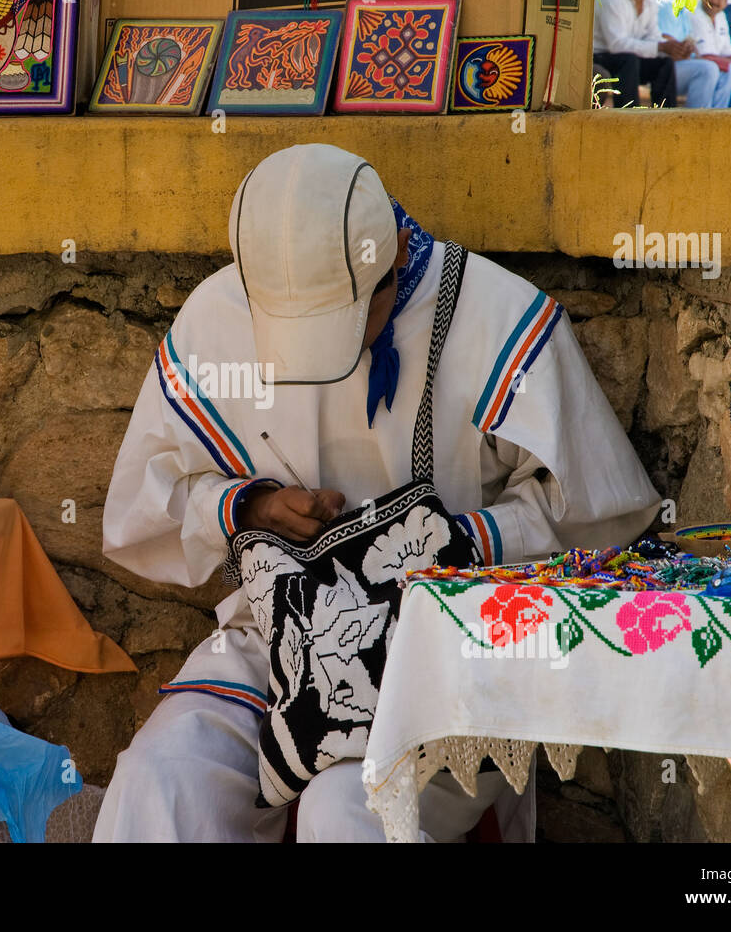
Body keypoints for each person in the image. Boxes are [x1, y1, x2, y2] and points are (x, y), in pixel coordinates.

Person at [94, 143, 661, 843]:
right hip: (278, 643)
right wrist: (250, 506)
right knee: (160, 778)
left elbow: (596, 515)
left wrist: (462, 540)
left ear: (394, 254)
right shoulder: (219, 314)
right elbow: (144, 508)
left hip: (449, 655)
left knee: (346, 807)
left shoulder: (493, 315)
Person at [594, 0, 724, 108]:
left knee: (665, 62)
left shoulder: (649, 1)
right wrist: (661, 46)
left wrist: (675, 48)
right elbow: (617, 45)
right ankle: (628, 117)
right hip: (601, 56)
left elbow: (653, 37)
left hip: (627, 57)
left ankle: (665, 117)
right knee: (629, 61)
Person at [658, 0, 731, 108]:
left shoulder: (683, 8)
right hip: (664, 65)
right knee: (708, 69)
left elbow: (690, 43)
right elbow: (663, 39)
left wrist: (691, 50)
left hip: (683, 62)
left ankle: (716, 119)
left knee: (727, 70)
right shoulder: (665, 4)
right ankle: (698, 121)